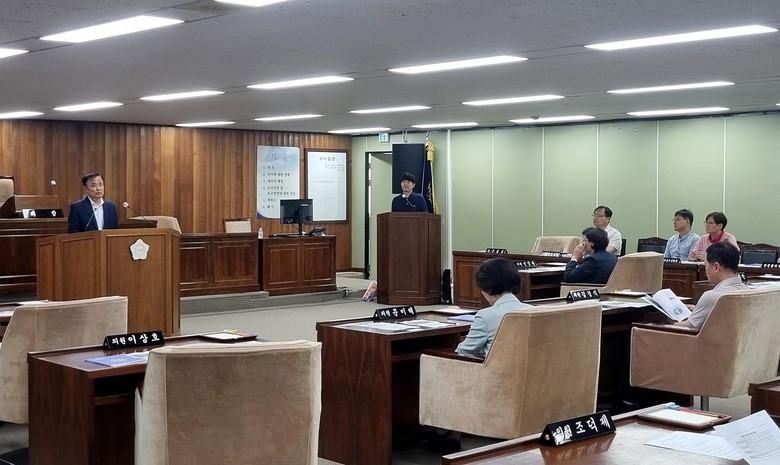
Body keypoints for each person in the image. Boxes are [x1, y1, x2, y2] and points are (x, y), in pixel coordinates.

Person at [455, 257, 530, 357]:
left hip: (497, 366)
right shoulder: (534, 310)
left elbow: (464, 352)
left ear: (487, 288)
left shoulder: (485, 316)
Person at [676, 241, 746, 329]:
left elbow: (687, 327)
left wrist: (669, 321)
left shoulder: (711, 297)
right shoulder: (749, 291)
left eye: (706, 265)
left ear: (716, 267)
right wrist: (697, 309)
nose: (706, 269)